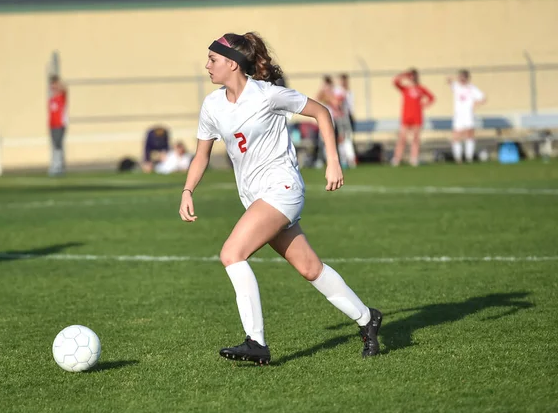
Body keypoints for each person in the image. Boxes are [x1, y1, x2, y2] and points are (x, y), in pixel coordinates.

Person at [179, 32, 382, 365]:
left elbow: (322, 113)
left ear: (232, 63)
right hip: (256, 197)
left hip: (282, 189)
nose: (207, 65)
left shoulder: (268, 95)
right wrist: (187, 190)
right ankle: (367, 319)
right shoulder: (212, 105)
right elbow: (202, 155)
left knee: (232, 253)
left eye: (213, 59)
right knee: (309, 268)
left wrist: (333, 161)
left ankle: (256, 342)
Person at [391, 69, 435, 167]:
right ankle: (397, 158)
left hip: (417, 117)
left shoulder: (421, 88)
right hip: (406, 117)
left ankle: (413, 158)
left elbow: (432, 98)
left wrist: (424, 105)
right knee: (402, 138)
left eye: (414, 76)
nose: (412, 78)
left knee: (415, 139)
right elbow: (395, 82)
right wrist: (404, 74)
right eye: (411, 76)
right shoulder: (405, 89)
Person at [448, 70, 486, 163]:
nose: (462, 79)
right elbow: (449, 80)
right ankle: (458, 158)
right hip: (458, 116)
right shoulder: (456, 86)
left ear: (467, 78)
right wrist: (453, 77)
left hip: (468, 115)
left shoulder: (472, 88)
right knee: (456, 136)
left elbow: (483, 98)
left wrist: (475, 105)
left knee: (469, 135)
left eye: (464, 77)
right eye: (460, 77)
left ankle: (469, 157)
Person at [48, 75, 68, 176]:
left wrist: (58, 82)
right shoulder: (51, 99)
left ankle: (59, 166)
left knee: (58, 145)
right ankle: (55, 165)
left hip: (60, 125)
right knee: (55, 146)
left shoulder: (61, 97)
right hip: (52, 125)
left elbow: (64, 89)